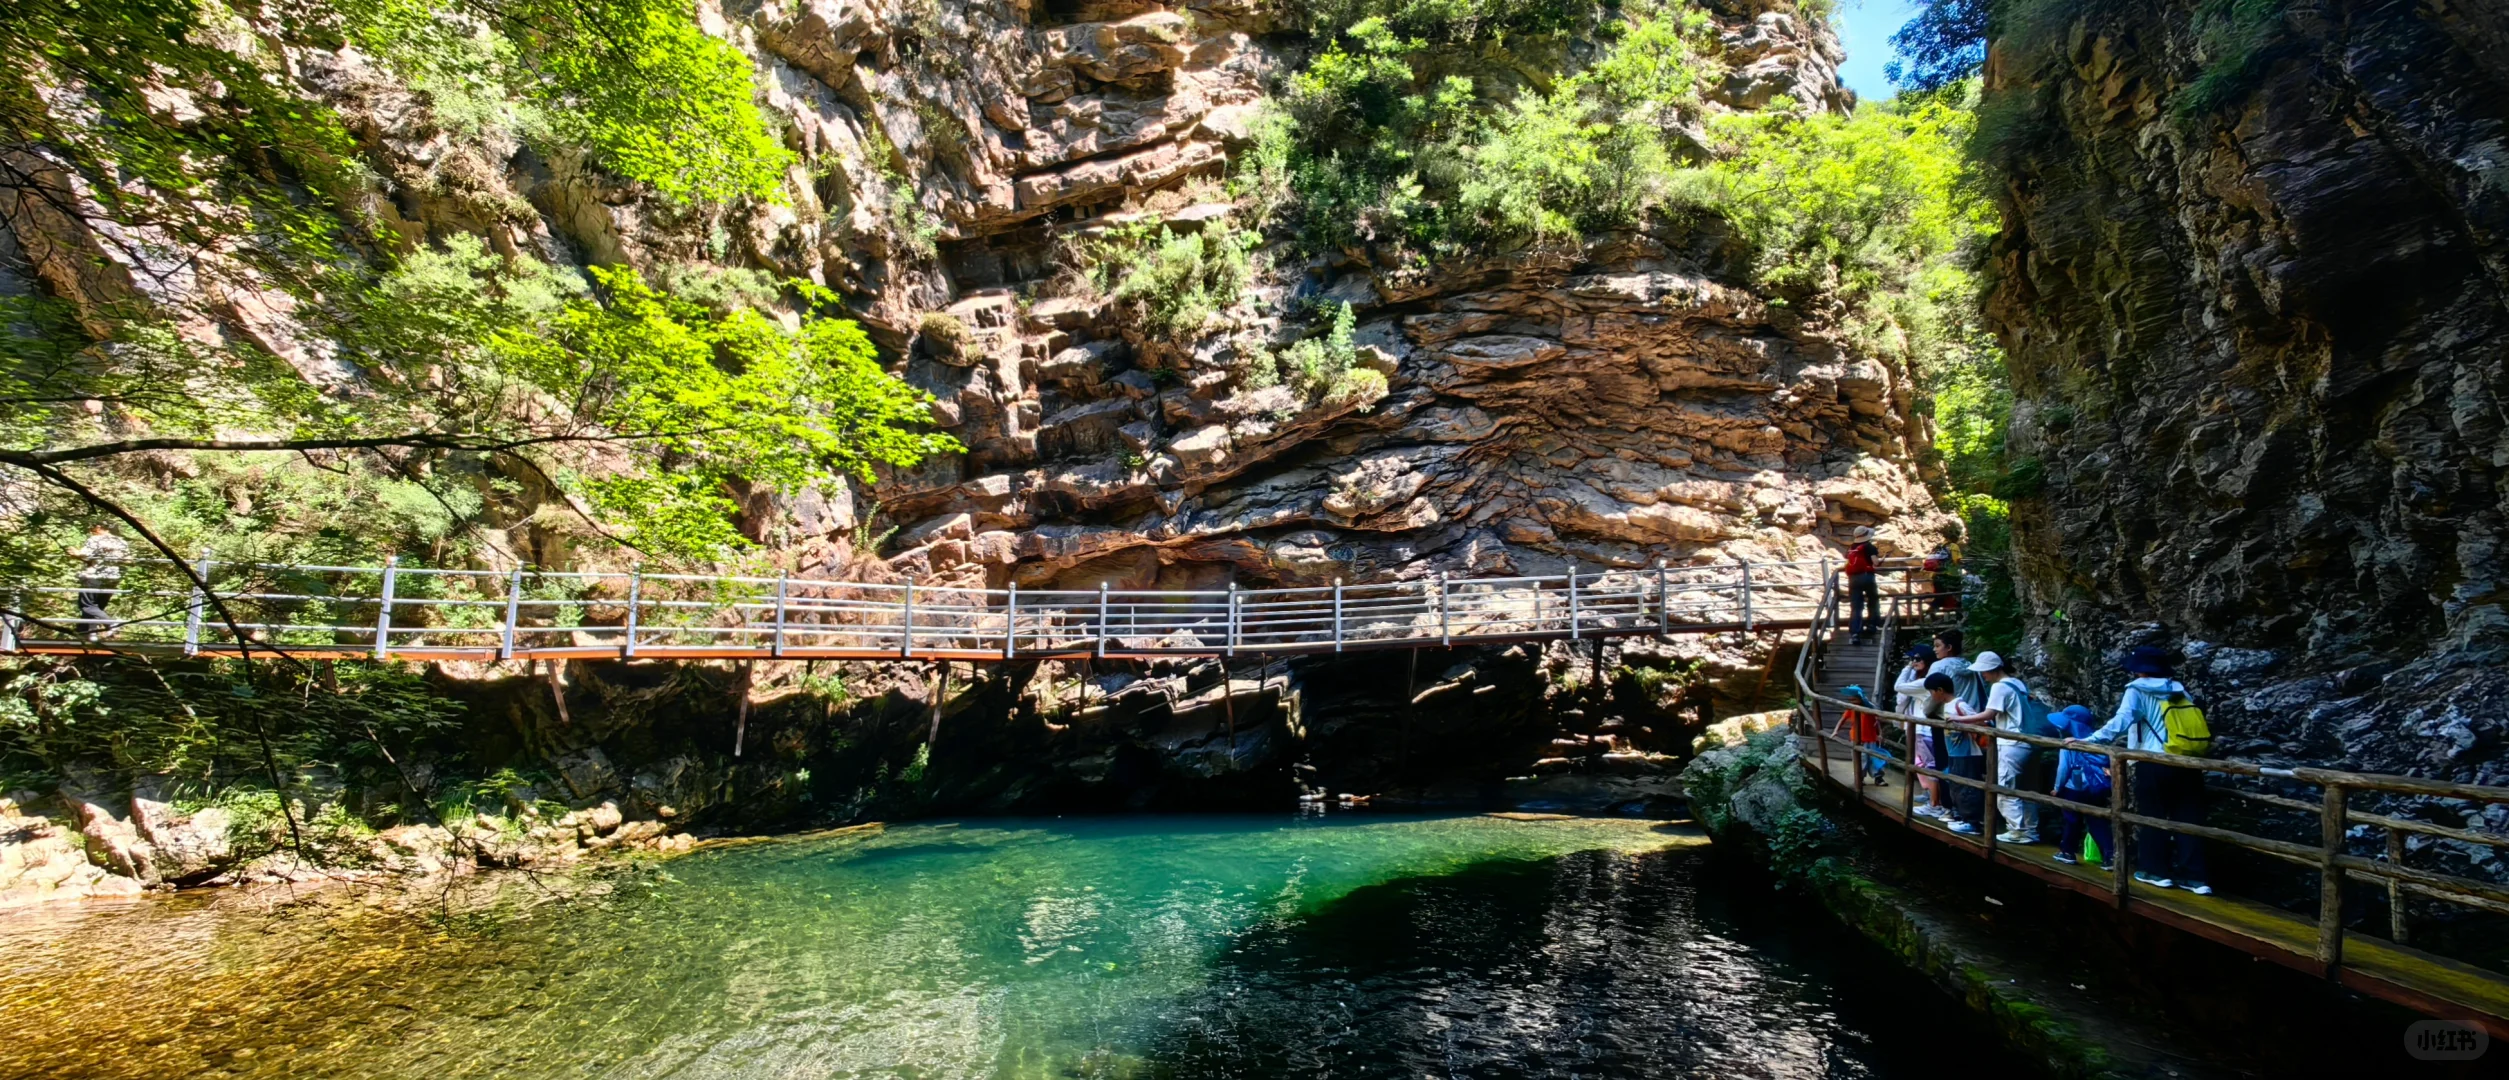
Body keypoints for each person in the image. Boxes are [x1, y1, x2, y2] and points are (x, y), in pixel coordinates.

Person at [2083, 645, 2212, 895]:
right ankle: (2195, 878)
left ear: (2138, 670)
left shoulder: (2136, 690)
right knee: (2188, 818)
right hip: (2186, 762)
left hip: (2153, 761)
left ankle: (2156, 871)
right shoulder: (2178, 689)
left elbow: (2122, 720)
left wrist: (2091, 740)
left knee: (2151, 815)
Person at [1973, 651, 2041, 845]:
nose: (1983, 675)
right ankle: (2031, 830)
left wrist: (1960, 719)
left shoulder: (2000, 687)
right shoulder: (2017, 683)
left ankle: (2017, 830)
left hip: (2011, 742)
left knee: (2004, 787)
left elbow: (1988, 714)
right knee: (2026, 788)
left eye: (1984, 671)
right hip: (2028, 741)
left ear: (1993, 669)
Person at [2050, 704, 2114, 867]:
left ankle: (2067, 852)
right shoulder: (2098, 739)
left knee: (2072, 820)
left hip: (2075, 788)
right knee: (2097, 822)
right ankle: (2110, 856)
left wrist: (2057, 788)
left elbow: (2063, 769)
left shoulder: (2069, 742)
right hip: (2097, 788)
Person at [1925, 671, 1985, 835]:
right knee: (1957, 786)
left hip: (1967, 753)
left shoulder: (1960, 704)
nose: (1931, 696)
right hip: (1955, 753)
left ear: (1939, 690)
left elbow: (1980, 721)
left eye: (1931, 692)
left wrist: (1961, 722)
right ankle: (1964, 817)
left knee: (1967, 787)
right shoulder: (1946, 706)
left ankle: (1973, 823)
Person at [1893, 644, 1944, 816]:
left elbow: (1899, 688)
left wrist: (1907, 669)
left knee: (1929, 764)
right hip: (1918, 727)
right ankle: (1930, 794)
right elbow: (1901, 697)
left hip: (1924, 729)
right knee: (1921, 762)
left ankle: (1935, 803)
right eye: (1911, 659)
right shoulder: (1921, 678)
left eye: (1917, 659)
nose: (1913, 662)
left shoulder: (1926, 682)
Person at [76, 524, 130, 637]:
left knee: (87, 606)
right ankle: (88, 633)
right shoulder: (121, 542)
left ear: (101, 528)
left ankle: (112, 623)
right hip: (113, 578)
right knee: (97, 607)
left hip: (94, 576)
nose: (92, 530)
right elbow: (128, 560)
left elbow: (84, 554)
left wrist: (75, 553)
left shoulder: (95, 539)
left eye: (94, 528)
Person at [1834, 685, 1886, 784]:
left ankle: (1878, 778)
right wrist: (1836, 730)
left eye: (1854, 699)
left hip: (1871, 738)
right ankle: (1859, 778)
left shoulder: (1870, 708)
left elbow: (1877, 721)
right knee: (1860, 759)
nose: (1852, 702)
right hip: (1857, 738)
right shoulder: (1851, 708)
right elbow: (1842, 719)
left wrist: (1880, 734)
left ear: (1860, 698)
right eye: (1850, 700)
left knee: (1874, 758)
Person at [1844, 526, 1880, 644]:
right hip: (1867, 576)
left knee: (1856, 606)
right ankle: (1871, 625)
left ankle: (1855, 633)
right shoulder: (1870, 547)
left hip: (1853, 578)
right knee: (1873, 600)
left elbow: (1847, 559)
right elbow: (1875, 562)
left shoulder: (1852, 548)